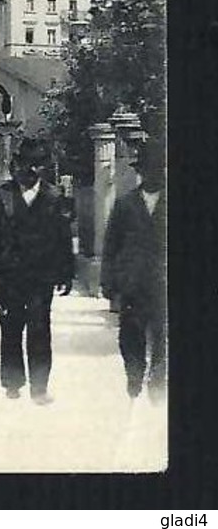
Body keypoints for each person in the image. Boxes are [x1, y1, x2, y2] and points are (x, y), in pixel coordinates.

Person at [0, 149, 73, 404]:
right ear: (15, 166)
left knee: (40, 328)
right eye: (24, 165)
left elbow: (63, 238)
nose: (29, 171)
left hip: (41, 276)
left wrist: (66, 272)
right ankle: (12, 383)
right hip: (8, 276)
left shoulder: (53, 197)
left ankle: (39, 388)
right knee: (10, 328)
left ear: (42, 168)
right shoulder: (2, 197)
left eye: (35, 165)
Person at [101, 148, 167, 402]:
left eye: (157, 170)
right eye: (146, 170)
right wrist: (108, 282)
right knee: (130, 335)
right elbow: (110, 246)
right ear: (140, 172)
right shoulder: (125, 204)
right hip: (132, 283)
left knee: (163, 335)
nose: (152, 174)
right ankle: (135, 375)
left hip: (163, 283)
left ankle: (158, 382)